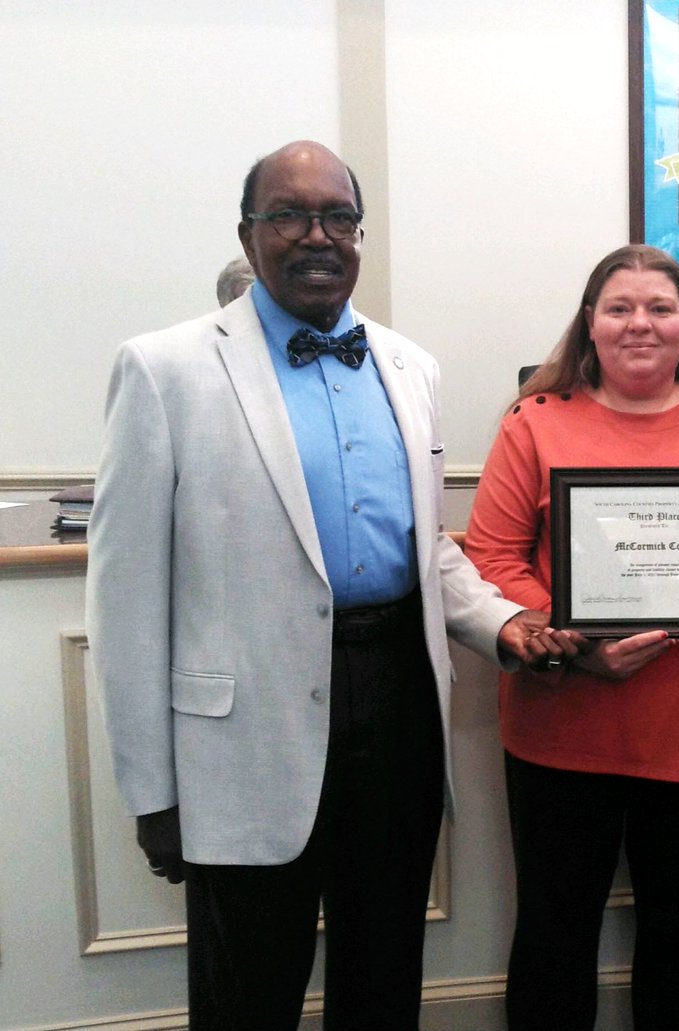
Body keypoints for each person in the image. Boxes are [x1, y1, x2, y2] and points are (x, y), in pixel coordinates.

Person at [86, 140, 547, 1030]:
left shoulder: (412, 369)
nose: (316, 236)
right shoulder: (164, 367)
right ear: (249, 233)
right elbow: (126, 598)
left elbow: (425, 553)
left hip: (399, 707)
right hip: (244, 741)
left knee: (384, 978)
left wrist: (506, 623)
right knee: (248, 991)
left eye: (338, 217)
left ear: (360, 235)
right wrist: (151, 792)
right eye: (288, 215)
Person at [464, 243, 679, 1031]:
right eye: (619, 308)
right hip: (561, 730)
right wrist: (573, 644)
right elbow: (490, 559)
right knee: (555, 934)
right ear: (589, 324)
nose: (639, 324)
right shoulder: (535, 424)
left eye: (660, 307)